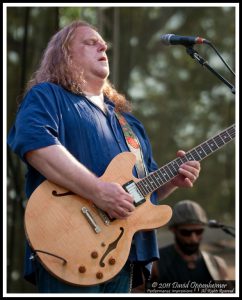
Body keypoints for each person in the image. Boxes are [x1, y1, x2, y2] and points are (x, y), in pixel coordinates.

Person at [7, 20, 201, 293]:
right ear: (65, 54)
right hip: (67, 246)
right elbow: (35, 144)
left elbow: (140, 193)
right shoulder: (48, 95)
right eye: (90, 42)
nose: (103, 45)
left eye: (104, 43)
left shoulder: (129, 124)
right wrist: (97, 191)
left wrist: (171, 180)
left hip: (120, 255)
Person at [150, 200, 229, 288]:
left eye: (199, 231)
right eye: (186, 232)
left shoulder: (217, 264)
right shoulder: (154, 264)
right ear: (173, 230)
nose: (193, 239)